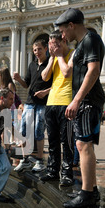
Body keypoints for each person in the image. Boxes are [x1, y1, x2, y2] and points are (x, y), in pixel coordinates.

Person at [55, 8, 105, 208]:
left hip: (88, 101)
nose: (62, 35)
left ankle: (86, 194)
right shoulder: (82, 44)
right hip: (85, 100)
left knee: (83, 145)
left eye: (63, 30)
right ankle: (90, 190)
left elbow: (93, 70)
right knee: (84, 145)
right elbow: (71, 72)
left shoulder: (91, 39)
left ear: (71, 25)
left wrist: (76, 100)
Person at [36, 30, 75, 186]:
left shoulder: (72, 53)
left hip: (66, 101)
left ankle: (66, 173)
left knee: (66, 141)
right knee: (52, 140)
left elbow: (67, 72)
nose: (52, 48)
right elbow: (44, 76)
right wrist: (52, 57)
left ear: (63, 42)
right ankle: (52, 170)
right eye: (51, 45)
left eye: (56, 45)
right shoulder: (53, 57)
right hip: (51, 102)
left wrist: (58, 56)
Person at [13, 39, 53, 173]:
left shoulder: (50, 64)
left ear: (46, 49)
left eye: (39, 49)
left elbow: (57, 84)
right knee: (23, 131)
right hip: (30, 103)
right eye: (35, 50)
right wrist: (19, 80)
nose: (36, 52)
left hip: (43, 103)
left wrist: (45, 92)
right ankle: (25, 159)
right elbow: (26, 84)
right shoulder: (32, 65)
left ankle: (40, 161)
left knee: (38, 130)